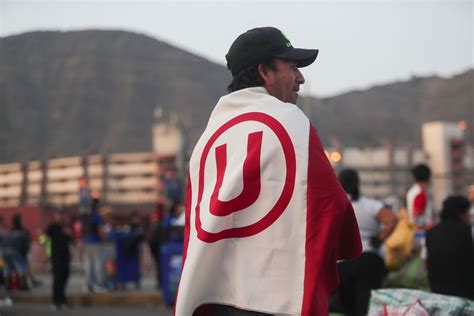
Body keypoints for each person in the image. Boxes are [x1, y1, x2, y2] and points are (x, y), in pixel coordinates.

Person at [175, 27, 362, 316]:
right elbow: (332, 204)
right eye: (293, 68)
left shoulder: (208, 138)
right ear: (265, 72)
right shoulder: (289, 120)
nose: (300, 78)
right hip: (274, 299)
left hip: (214, 296)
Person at [335, 169, 397, 316]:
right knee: (367, 305)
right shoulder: (370, 205)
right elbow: (391, 219)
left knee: (347, 306)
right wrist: (380, 239)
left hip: (342, 262)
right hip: (370, 259)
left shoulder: (335, 205)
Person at [425, 195, 474, 300]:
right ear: (462, 214)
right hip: (466, 295)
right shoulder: (469, 231)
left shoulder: (430, 233)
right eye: (468, 213)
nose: (469, 216)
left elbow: (426, 262)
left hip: (438, 294)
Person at [46, 209, 72, 309]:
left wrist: (68, 233)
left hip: (66, 255)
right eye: (58, 215)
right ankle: (55, 301)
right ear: (55, 216)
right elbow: (44, 239)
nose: (60, 217)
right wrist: (46, 252)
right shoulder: (52, 227)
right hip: (56, 256)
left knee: (65, 276)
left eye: (62, 215)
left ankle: (62, 299)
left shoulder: (65, 227)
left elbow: (70, 240)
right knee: (58, 278)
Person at [81, 197, 106, 292]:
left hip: (86, 242)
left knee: (88, 264)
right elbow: (101, 230)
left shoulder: (87, 215)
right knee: (97, 264)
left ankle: (87, 284)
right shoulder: (97, 216)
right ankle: (98, 284)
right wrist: (104, 239)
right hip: (95, 242)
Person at [2, 214, 31, 290]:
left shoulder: (9, 232)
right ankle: (23, 285)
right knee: (21, 268)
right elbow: (26, 245)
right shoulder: (23, 232)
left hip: (5, 252)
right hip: (15, 251)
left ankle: (8, 285)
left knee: (7, 268)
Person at [406, 164, 433, 229]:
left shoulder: (413, 191)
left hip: (414, 229)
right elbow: (417, 216)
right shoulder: (420, 193)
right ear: (428, 178)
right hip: (421, 232)